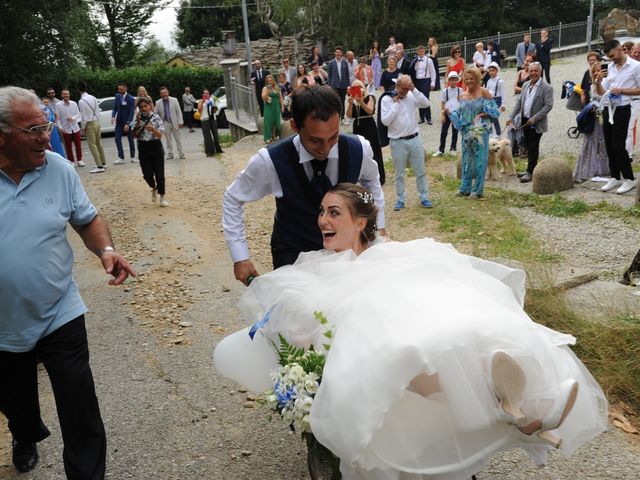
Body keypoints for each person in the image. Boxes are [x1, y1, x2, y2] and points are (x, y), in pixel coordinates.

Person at [213, 182, 607, 480]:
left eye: (334, 213)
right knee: (400, 347)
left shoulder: (390, 254)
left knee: (464, 317)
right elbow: (301, 323)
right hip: (370, 348)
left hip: (401, 331)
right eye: (322, 212)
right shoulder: (314, 268)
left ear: (361, 222)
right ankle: (510, 409)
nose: (322, 220)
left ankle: (528, 404)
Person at [0, 86, 136, 478]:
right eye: (33, 129)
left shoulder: (57, 168)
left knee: (79, 405)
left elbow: (87, 218)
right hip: (5, 325)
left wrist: (105, 249)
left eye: (46, 125)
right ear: (2, 134)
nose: (46, 136)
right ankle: (24, 432)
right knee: (15, 399)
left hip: (59, 309)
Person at [222, 85, 387, 284]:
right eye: (315, 140)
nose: (325, 148)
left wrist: (379, 227)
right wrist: (240, 256)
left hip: (344, 250)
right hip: (293, 253)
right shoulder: (270, 161)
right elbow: (233, 197)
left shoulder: (359, 148)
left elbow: (372, 182)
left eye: (333, 137)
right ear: (294, 126)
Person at [380, 74, 433, 210]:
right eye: (402, 88)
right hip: (397, 141)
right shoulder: (387, 99)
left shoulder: (410, 95)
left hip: (414, 138)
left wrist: (414, 90)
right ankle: (400, 199)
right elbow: (385, 121)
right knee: (399, 173)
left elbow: (425, 103)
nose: (404, 91)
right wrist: (395, 105)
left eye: (407, 88)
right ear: (397, 86)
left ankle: (424, 197)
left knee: (420, 171)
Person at [595, 40, 640, 194]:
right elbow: (602, 92)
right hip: (609, 107)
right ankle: (615, 176)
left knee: (618, 145)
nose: (611, 58)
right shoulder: (611, 67)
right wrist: (597, 82)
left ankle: (629, 178)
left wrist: (623, 91)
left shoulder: (635, 66)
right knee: (608, 144)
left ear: (621, 49)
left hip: (623, 108)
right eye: (609, 57)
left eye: (613, 55)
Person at [450, 67, 499, 198]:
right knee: (467, 159)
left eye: (471, 78)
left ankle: (477, 190)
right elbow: (459, 114)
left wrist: (485, 113)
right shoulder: (462, 95)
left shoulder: (484, 92)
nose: (469, 81)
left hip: (480, 131)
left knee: (480, 160)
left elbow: (495, 111)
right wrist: (450, 114)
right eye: (466, 79)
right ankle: (465, 187)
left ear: (477, 79)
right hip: (466, 132)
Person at [507, 62, 554, 183]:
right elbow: (519, 103)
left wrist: (535, 118)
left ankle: (531, 172)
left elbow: (548, 106)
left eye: (535, 71)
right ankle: (530, 168)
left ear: (540, 72)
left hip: (536, 123)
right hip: (525, 120)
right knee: (527, 145)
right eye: (531, 71)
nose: (533, 73)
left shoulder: (547, 88)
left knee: (533, 146)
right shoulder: (526, 85)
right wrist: (511, 116)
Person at [574, 62, 610, 183]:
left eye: (598, 70)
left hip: (602, 115)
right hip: (594, 117)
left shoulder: (606, 83)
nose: (596, 73)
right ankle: (589, 168)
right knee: (591, 141)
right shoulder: (591, 86)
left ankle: (603, 168)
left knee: (602, 140)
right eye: (593, 71)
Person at [132, 96, 169, 207]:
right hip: (143, 147)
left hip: (155, 146)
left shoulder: (156, 117)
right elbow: (134, 135)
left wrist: (153, 129)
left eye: (145, 106)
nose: (143, 108)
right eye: (141, 107)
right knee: (147, 174)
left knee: (159, 173)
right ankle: (153, 187)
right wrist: (138, 124)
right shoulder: (137, 118)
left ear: (150, 106)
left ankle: (162, 196)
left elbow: (160, 135)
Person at [346, 79, 385, 184]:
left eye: (358, 87)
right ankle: (364, 176)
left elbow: (370, 111)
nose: (356, 90)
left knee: (373, 149)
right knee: (361, 150)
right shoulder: (353, 100)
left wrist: (361, 102)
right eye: (353, 88)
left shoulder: (370, 97)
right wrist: (350, 104)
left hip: (368, 125)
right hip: (358, 126)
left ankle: (379, 176)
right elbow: (349, 115)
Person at [78, 82, 107, 173]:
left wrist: (83, 127)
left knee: (92, 145)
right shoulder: (93, 97)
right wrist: (98, 120)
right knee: (99, 143)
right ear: (86, 88)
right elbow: (98, 111)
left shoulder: (81, 101)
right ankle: (103, 163)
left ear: (78, 90)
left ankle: (99, 166)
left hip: (89, 123)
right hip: (96, 122)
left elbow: (83, 116)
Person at [434, 71, 462, 156]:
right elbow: (443, 103)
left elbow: (461, 102)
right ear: (448, 81)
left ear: (457, 80)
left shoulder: (460, 90)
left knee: (455, 131)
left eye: (455, 79)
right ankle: (441, 149)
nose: (453, 81)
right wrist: (442, 115)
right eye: (451, 80)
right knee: (444, 132)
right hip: (447, 113)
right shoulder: (445, 91)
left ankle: (453, 148)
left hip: (456, 114)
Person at [408, 45, 437, 124]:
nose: (420, 53)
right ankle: (421, 118)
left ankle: (428, 118)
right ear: (417, 52)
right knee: (418, 99)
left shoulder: (429, 60)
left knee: (425, 99)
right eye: (419, 51)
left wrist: (433, 83)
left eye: (422, 51)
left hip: (426, 80)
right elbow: (411, 71)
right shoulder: (415, 60)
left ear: (424, 51)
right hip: (417, 81)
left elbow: (433, 72)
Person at [55, 89, 84, 167]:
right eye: (64, 94)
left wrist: (73, 118)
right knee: (68, 146)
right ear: (61, 95)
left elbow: (78, 114)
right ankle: (71, 161)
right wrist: (60, 128)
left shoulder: (74, 103)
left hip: (75, 127)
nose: (66, 95)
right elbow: (57, 118)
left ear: (69, 95)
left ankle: (79, 160)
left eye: (67, 94)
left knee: (78, 145)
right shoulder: (58, 105)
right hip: (66, 129)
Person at [154, 87, 185, 160]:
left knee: (178, 139)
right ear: (160, 94)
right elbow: (155, 113)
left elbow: (178, 111)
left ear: (168, 92)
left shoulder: (174, 100)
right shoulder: (158, 102)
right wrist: (158, 123)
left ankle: (181, 154)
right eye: (162, 93)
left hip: (175, 122)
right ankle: (170, 154)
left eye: (165, 92)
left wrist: (180, 121)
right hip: (165, 123)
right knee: (168, 140)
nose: (164, 94)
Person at [111, 81, 136, 164]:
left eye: (121, 89)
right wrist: (113, 116)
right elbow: (115, 108)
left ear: (125, 88)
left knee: (130, 139)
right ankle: (121, 157)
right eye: (119, 89)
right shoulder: (117, 96)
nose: (119, 91)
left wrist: (128, 123)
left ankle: (133, 157)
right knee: (117, 139)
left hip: (127, 122)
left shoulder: (131, 98)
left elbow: (131, 112)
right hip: (119, 122)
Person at [326, 46, 350, 124]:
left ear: (341, 53)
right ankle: (336, 119)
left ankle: (342, 118)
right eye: (337, 52)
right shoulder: (331, 63)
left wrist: (348, 85)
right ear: (335, 53)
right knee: (336, 102)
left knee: (342, 102)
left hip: (343, 85)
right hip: (334, 85)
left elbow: (347, 75)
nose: (338, 53)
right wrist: (329, 86)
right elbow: (329, 76)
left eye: (339, 52)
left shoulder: (344, 62)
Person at [198, 89, 224, 156]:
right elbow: (199, 110)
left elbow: (215, 111)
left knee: (215, 135)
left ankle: (218, 149)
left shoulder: (212, 100)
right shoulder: (201, 101)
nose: (206, 95)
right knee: (207, 137)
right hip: (205, 119)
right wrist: (203, 101)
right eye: (204, 93)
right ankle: (209, 151)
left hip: (212, 119)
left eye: (207, 93)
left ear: (209, 94)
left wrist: (213, 106)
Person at [485, 62, 506, 135]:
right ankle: (491, 133)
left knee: (494, 117)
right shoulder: (489, 81)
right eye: (490, 71)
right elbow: (486, 91)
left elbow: (503, 93)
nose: (491, 72)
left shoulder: (500, 81)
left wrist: (503, 104)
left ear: (496, 71)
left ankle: (498, 133)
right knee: (489, 117)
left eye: (493, 70)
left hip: (497, 100)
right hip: (489, 100)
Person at [262, 74, 284, 144]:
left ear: (273, 80)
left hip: (276, 105)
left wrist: (282, 106)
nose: (269, 82)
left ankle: (274, 135)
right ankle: (268, 137)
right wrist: (268, 89)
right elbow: (263, 97)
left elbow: (280, 97)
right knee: (268, 121)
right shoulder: (265, 88)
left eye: (270, 80)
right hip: (269, 106)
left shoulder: (277, 87)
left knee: (276, 121)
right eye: (268, 81)